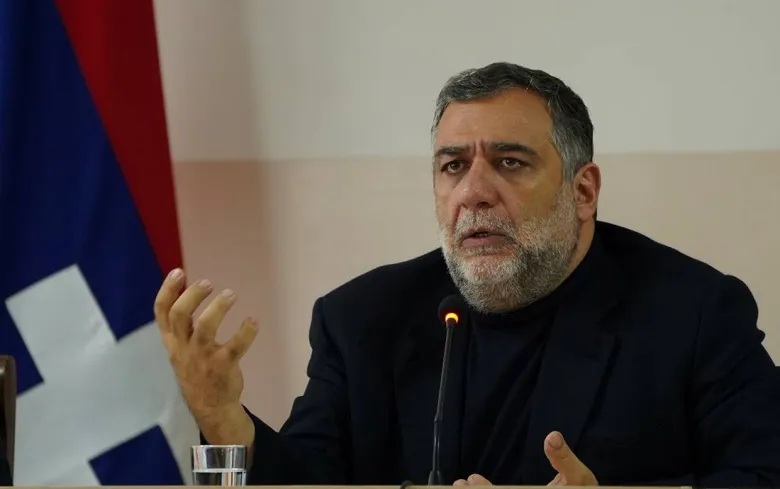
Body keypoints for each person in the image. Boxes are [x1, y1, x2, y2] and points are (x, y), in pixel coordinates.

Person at [154, 62, 780, 487]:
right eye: (453, 166)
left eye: (510, 162)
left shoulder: (694, 313)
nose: (474, 193)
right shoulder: (362, 319)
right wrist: (221, 423)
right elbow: (305, 483)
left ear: (583, 191)